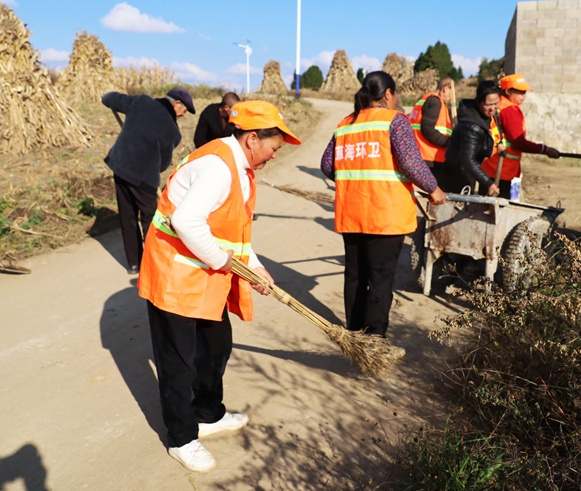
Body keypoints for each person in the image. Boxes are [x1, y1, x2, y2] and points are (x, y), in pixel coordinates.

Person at [138, 100, 301, 473]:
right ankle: (181, 438)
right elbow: (187, 221)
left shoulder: (241, 168)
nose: (274, 155)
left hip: (205, 273)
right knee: (177, 362)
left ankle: (208, 414)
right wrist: (225, 262)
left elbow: (232, 231)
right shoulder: (217, 167)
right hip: (176, 275)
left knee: (215, 347)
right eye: (274, 148)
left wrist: (254, 266)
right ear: (252, 139)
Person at [320, 71, 446, 342]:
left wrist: (354, 181)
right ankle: (374, 339)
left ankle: (354, 333)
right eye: (396, 94)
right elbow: (411, 163)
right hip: (385, 215)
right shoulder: (395, 121)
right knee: (380, 277)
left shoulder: (345, 124)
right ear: (388, 94)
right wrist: (434, 189)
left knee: (355, 274)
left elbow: (327, 165)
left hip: (352, 212)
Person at [102, 86, 196, 275]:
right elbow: (163, 164)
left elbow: (108, 98)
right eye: (183, 111)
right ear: (176, 104)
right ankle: (153, 262)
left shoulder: (141, 102)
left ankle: (134, 264)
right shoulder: (173, 132)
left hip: (120, 167)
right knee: (151, 220)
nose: (182, 116)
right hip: (144, 179)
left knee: (127, 217)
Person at [480, 74, 560, 199]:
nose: (524, 95)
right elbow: (519, 142)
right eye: (520, 92)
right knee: (500, 209)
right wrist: (545, 149)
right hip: (502, 171)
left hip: (490, 167)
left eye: (525, 92)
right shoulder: (509, 110)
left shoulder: (497, 105)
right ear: (508, 91)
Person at [440, 81, 504, 196]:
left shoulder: (491, 113)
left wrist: (500, 142)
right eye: (488, 104)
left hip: (469, 170)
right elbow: (467, 160)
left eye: (496, 103)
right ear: (478, 102)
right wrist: (488, 183)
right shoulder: (470, 126)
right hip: (457, 175)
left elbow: (496, 127)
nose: (493, 108)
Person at [408, 76, 454, 182]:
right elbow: (428, 129)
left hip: (421, 154)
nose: (452, 98)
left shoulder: (423, 100)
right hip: (431, 157)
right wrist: (449, 143)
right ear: (445, 89)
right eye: (452, 93)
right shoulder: (435, 102)